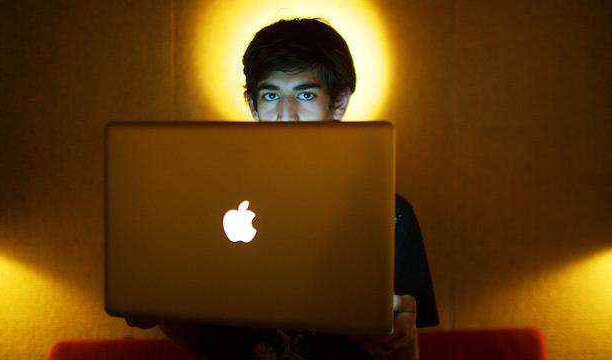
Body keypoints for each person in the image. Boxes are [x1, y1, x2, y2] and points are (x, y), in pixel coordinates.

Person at [127, 18, 438, 360]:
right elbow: (208, 342)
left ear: (338, 103)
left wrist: (401, 344)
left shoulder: (391, 214)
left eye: (305, 95)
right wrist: (156, 306)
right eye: (271, 95)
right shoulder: (220, 209)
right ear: (252, 105)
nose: (286, 115)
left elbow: (409, 348)